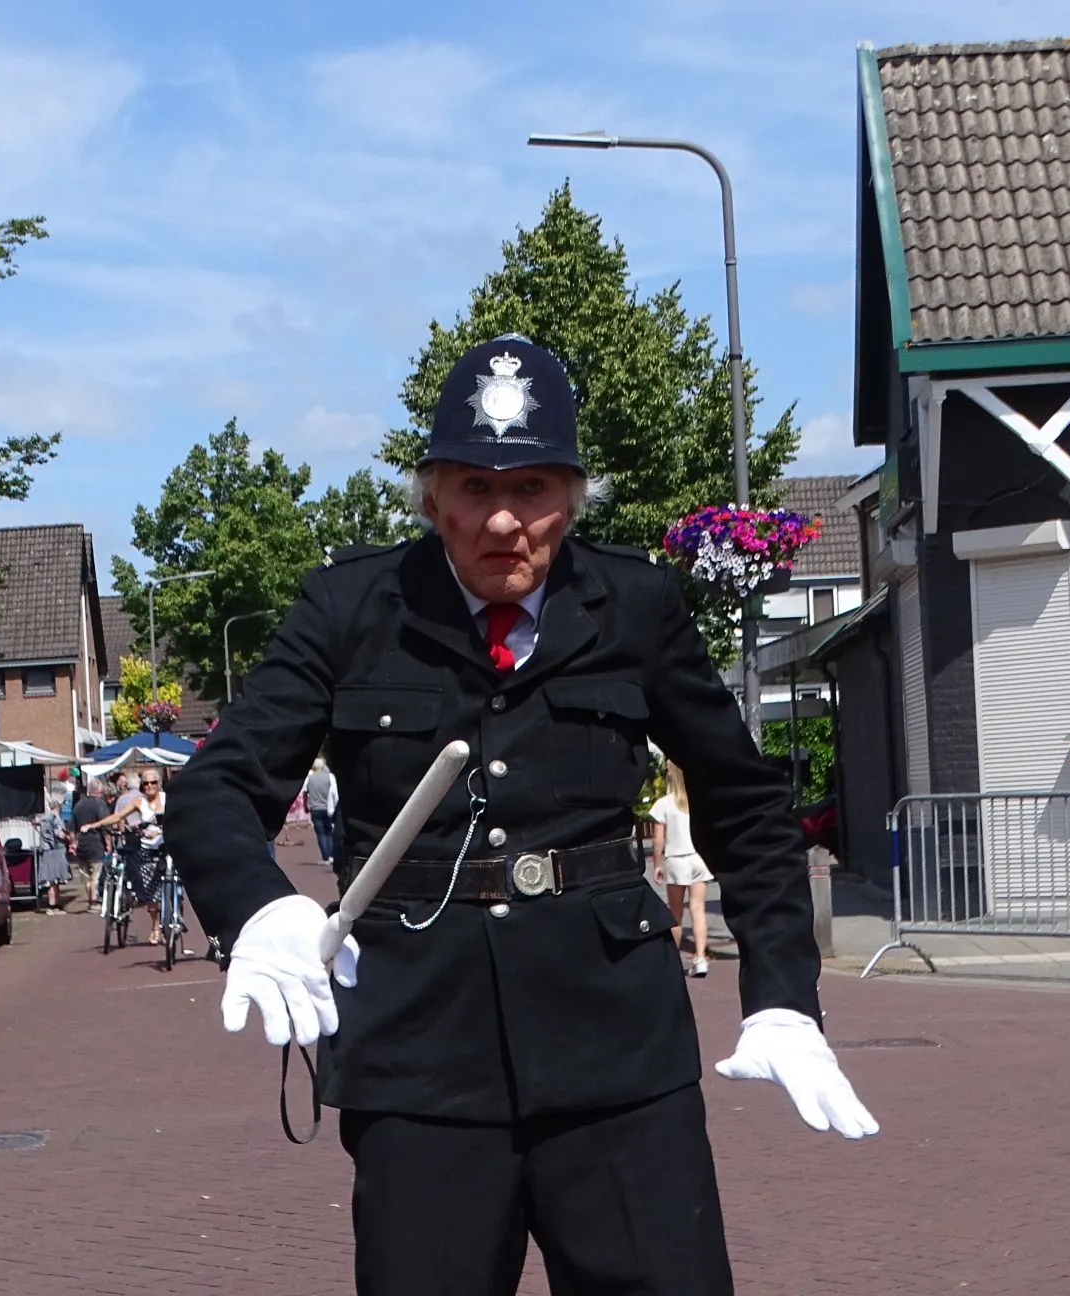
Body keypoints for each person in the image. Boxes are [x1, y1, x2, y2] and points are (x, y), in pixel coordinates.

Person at [170, 335, 877, 1296]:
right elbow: (217, 784)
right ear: (431, 494)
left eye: (534, 489)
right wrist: (258, 906)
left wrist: (785, 994)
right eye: (472, 488)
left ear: (573, 496)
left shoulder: (636, 603)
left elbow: (743, 804)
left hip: (615, 1052)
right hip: (420, 1058)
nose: (504, 521)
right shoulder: (350, 608)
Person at [649, 764, 714, 978]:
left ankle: (673, 960)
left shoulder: (664, 804)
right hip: (698, 858)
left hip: (677, 859)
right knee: (698, 909)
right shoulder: (697, 800)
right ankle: (701, 957)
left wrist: (658, 863)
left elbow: (658, 838)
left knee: (675, 914)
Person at [95, 770, 169, 943]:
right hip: (147, 847)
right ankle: (155, 925)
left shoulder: (168, 799)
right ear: (142, 786)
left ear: (158, 784)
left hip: (167, 845)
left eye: (153, 783)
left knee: (176, 880)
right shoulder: (138, 801)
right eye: (146, 783)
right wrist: (95, 824)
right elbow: (118, 816)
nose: (150, 786)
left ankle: (174, 914)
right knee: (150, 890)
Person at [71, 777, 113, 913]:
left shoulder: (78, 805)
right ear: (99, 790)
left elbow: (72, 828)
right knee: (95, 875)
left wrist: (73, 843)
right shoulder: (100, 804)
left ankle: (90, 900)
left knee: (86, 876)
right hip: (96, 843)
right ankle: (94, 903)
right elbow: (106, 825)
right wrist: (108, 843)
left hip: (82, 844)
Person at [33, 782, 73, 912]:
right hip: (54, 850)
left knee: (53, 879)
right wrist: (69, 838)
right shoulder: (55, 817)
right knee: (52, 879)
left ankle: (55, 904)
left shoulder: (45, 816)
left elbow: (37, 823)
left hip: (46, 850)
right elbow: (59, 833)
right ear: (58, 805)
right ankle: (52, 906)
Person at [304, 759, 340, 870]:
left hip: (315, 808)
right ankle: (332, 855)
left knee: (321, 834)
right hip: (328, 808)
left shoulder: (309, 778)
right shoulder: (330, 776)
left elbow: (305, 792)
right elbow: (335, 792)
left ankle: (325, 857)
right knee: (330, 832)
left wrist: (306, 806)